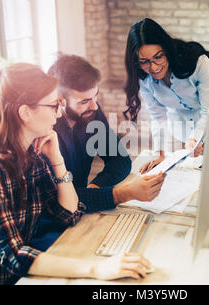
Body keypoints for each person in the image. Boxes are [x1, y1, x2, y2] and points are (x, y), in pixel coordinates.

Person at [0, 63, 151, 285]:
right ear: (25, 112)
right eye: (54, 105)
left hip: (23, 273)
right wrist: (96, 268)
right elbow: (14, 256)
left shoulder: (33, 154)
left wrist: (57, 159)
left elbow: (69, 213)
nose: (59, 112)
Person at [29, 54, 166, 251]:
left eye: (95, 96)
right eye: (84, 101)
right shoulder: (44, 133)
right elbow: (55, 203)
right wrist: (121, 194)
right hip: (52, 231)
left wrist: (95, 189)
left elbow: (120, 160)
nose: (94, 106)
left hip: (82, 214)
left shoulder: (90, 112)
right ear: (59, 101)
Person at [124, 18, 209, 174]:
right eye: (144, 61)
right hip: (179, 130)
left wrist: (195, 138)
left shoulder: (198, 63)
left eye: (158, 57)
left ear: (167, 50)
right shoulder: (143, 79)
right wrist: (159, 154)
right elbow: (158, 117)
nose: (154, 67)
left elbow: (208, 110)